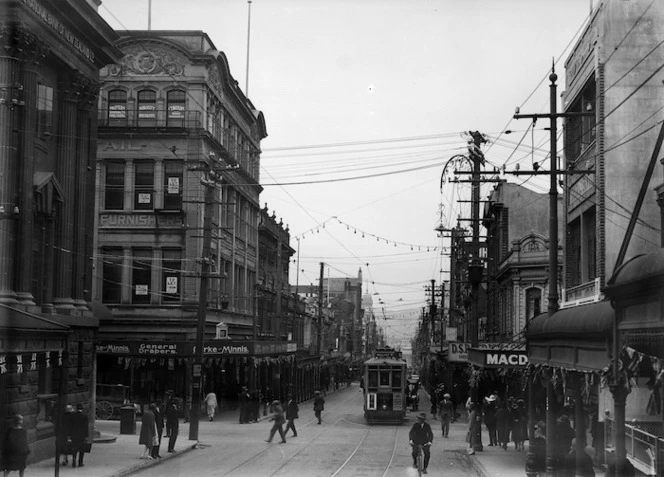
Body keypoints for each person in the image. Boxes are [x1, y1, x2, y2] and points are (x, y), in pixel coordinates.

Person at [69, 403, 89, 468]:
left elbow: (70, 426)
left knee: (74, 448)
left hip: (74, 435)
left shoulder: (72, 415)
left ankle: (74, 461)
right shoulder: (85, 416)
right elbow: (86, 427)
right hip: (82, 435)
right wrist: (86, 436)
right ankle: (80, 462)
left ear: (76, 408)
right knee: (81, 449)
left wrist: (70, 434)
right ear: (82, 409)